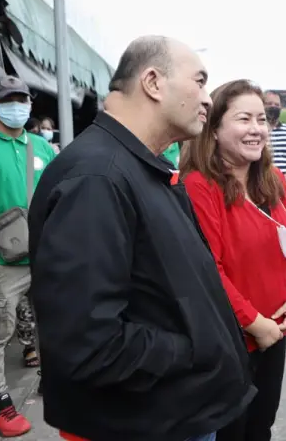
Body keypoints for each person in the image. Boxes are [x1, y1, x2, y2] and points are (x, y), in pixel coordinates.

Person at [28, 36, 253, 441]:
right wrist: (197, 347)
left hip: (173, 413)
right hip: (144, 424)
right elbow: (89, 343)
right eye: (199, 82)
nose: (207, 99)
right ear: (152, 82)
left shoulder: (136, 167)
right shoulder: (97, 178)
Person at [182, 79, 286, 441]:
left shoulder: (272, 180)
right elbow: (208, 268)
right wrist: (254, 323)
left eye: (261, 119)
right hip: (230, 338)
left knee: (261, 427)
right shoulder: (199, 185)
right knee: (230, 432)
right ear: (216, 128)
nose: (256, 129)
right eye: (243, 119)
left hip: (276, 329)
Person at [0, 76, 54, 437]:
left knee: (53, 323)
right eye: (10, 99)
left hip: (46, 257)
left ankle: (52, 383)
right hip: (1, 261)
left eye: (23, 99)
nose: (18, 105)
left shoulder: (41, 147)